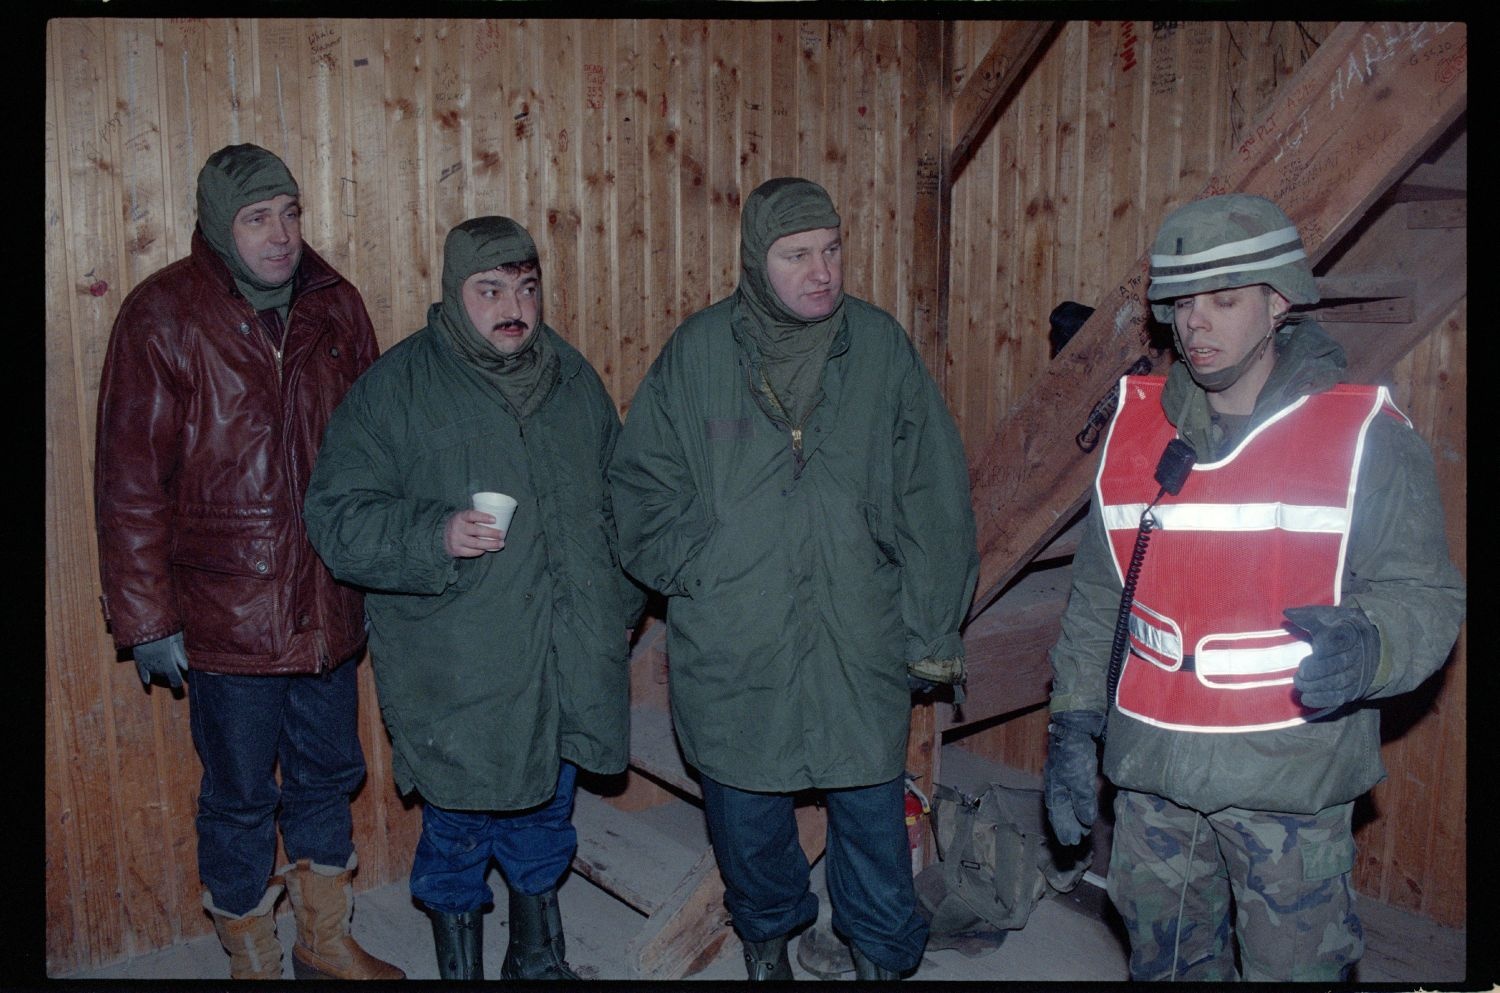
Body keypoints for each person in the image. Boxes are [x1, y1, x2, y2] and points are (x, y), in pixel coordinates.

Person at [1042, 193, 1466, 982]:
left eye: (1225, 301)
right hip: (1155, 783)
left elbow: (1426, 596)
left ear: (1278, 303)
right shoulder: (1136, 429)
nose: (1196, 324)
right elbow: (1100, 596)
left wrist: (1373, 644)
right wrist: (1073, 724)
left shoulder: (1363, 434)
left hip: (1288, 787)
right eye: (1183, 304)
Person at [609, 177, 979, 981]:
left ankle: (882, 955)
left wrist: (931, 627)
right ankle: (768, 938)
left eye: (832, 249)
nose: (822, 270)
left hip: (859, 626)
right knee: (746, 814)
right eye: (797, 254)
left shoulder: (878, 348)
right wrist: (700, 566)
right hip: (737, 633)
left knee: (873, 817)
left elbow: (935, 495)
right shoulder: (700, 354)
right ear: (756, 260)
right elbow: (638, 491)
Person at [302, 216, 643, 981]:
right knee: (459, 825)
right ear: (455, 295)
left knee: (548, 811)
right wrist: (434, 533)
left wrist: (615, 612)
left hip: (563, 651)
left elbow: (623, 507)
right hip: (458, 660)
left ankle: (537, 953)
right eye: (489, 289)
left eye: (525, 287)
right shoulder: (396, 390)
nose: (511, 306)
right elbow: (335, 515)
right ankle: (461, 968)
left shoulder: (573, 381)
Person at [93, 144, 403, 981]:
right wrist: (147, 618)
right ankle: (252, 959)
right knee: (237, 796)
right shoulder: (163, 313)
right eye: (258, 218)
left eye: (290, 213)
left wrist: (384, 569)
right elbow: (128, 480)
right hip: (225, 615)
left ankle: (323, 940)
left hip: (327, 599)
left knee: (328, 776)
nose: (280, 234)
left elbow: (375, 450)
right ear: (219, 226)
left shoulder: (335, 305)